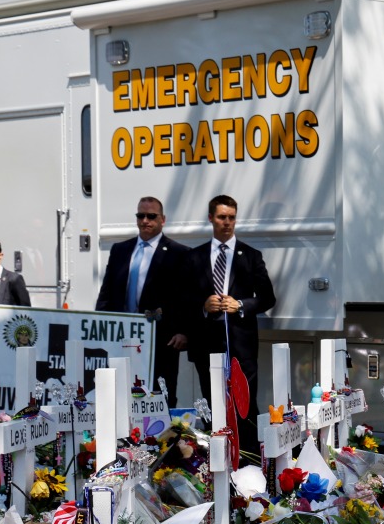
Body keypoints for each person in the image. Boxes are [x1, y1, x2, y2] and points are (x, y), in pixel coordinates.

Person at [186, 195, 275, 461]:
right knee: (212, 406)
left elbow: (268, 299)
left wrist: (242, 304)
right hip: (206, 346)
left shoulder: (250, 256)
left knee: (244, 406)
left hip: (241, 346)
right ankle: (214, 463)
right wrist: (203, 305)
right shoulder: (195, 257)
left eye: (231, 217)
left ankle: (249, 462)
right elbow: (180, 299)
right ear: (211, 218)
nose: (227, 223)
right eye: (222, 217)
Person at [95, 196, 192, 407]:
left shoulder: (179, 253)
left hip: (162, 339)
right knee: (120, 394)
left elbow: (186, 299)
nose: (145, 220)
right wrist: (99, 323)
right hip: (121, 337)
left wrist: (183, 331)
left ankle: (161, 438)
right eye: (141, 215)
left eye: (151, 216)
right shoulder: (120, 250)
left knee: (160, 396)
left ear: (162, 219)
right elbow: (107, 293)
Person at [0, 238, 31, 395]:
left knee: (2, 379)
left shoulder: (13, 280)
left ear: (0, 255)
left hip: (4, 336)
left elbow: (25, 311)